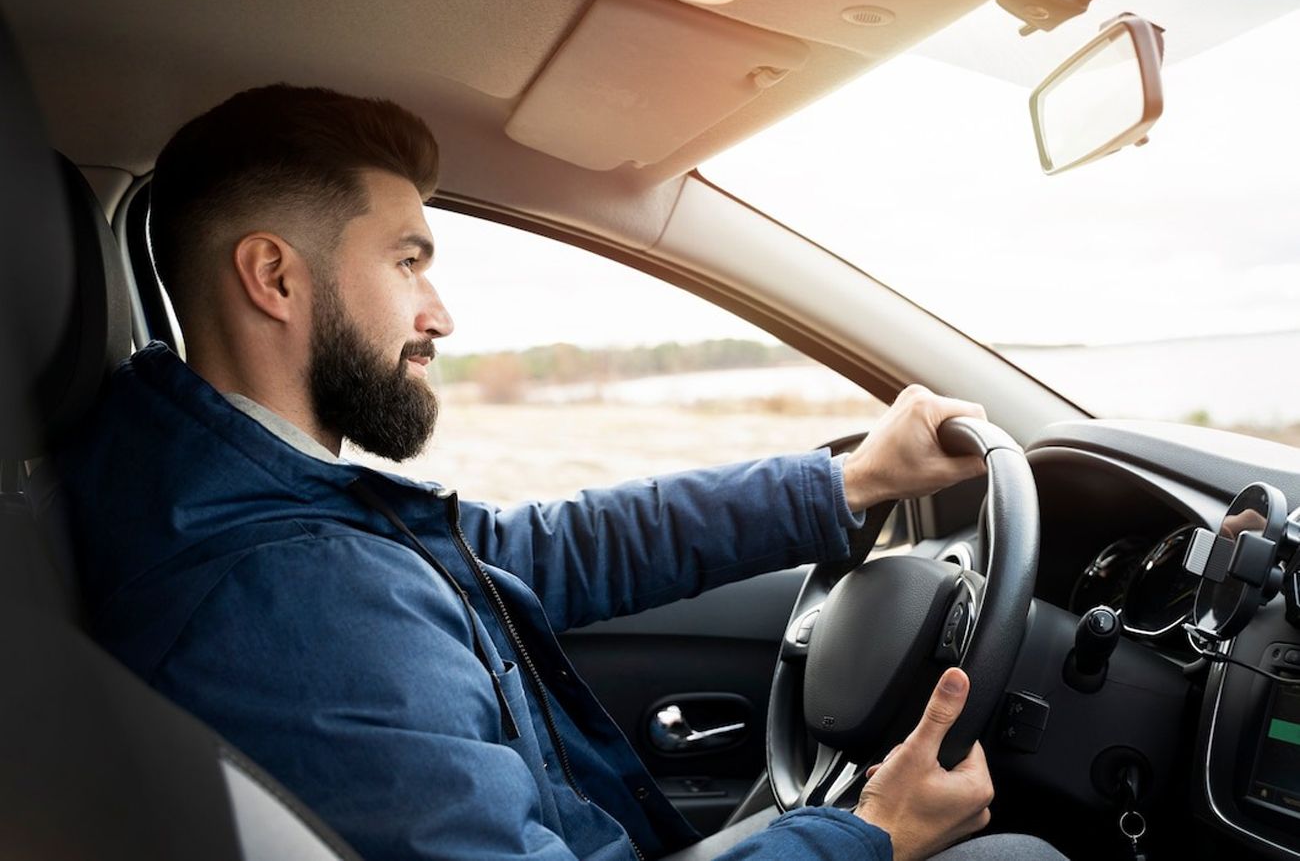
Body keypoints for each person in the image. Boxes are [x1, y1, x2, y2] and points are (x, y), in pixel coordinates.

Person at [48, 85, 1064, 861]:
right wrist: (868, 835)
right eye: (407, 261)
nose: (440, 313)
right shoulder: (292, 599)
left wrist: (842, 483)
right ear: (274, 277)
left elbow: (530, 551)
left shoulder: (240, 489)